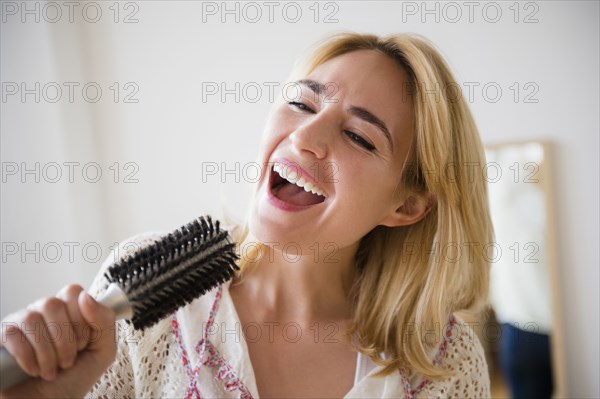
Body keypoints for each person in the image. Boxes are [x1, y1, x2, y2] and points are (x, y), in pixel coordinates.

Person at [1, 31, 494, 398]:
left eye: (360, 137)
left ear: (405, 205)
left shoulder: (445, 363)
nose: (304, 137)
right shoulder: (142, 304)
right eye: (301, 103)